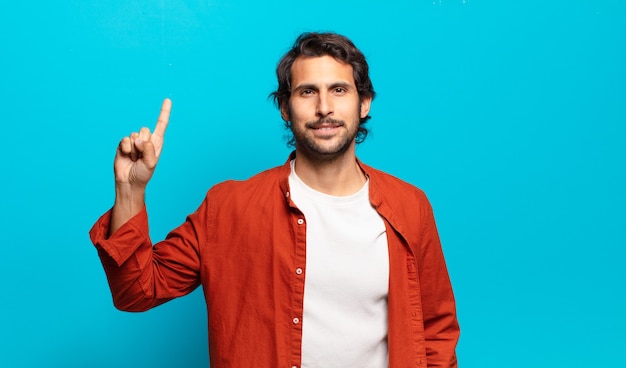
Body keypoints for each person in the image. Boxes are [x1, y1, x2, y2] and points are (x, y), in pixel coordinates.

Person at [90, 32, 460, 368]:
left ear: (364, 103)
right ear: (285, 108)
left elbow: (436, 331)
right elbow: (136, 291)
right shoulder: (228, 207)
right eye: (307, 92)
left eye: (339, 90)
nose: (324, 107)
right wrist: (129, 190)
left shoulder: (410, 206)